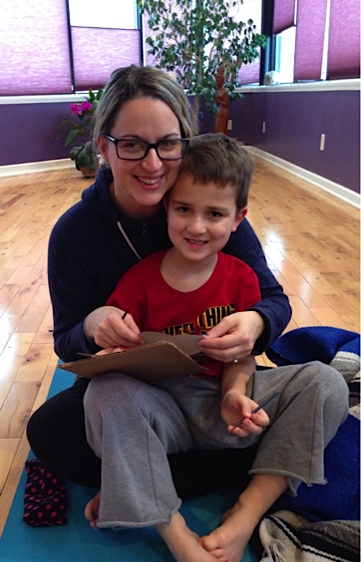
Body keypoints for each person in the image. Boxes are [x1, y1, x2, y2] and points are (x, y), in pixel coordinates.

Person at [83, 133, 349, 562]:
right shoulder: (139, 281)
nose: (197, 226)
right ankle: (176, 533)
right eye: (184, 209)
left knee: (326, 381)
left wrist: (235, 393)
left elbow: (242, 357)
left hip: (226, 408)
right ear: (166, 209)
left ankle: (249, 509)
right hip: (163, 411)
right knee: (103, 394)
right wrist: (109, 352)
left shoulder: (241, 277)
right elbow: (117, 361)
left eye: (214, 214)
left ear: (239, 218)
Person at [26, 64, 292, 497]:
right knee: (50, 432)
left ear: (184, 145)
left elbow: (274, 301)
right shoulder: (75, 234)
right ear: (103, 149)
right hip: (128, 389)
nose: (152, 163)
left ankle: (136, 475)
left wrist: (256, 323)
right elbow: (66, 342)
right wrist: (94, 325)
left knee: (308, 396)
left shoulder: (211, 215)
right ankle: (235, 470)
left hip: (214, 380)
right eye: (132, 145)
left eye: (168, 144)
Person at [214, 65, 230, 134]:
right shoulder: (218, 91)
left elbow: (226, 103)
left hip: (223, 111)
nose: (217, 82)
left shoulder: (224, 92)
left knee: (221, 128)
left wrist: (218, 100)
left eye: (218, 81)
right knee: (217, 128)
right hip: (219, 110)